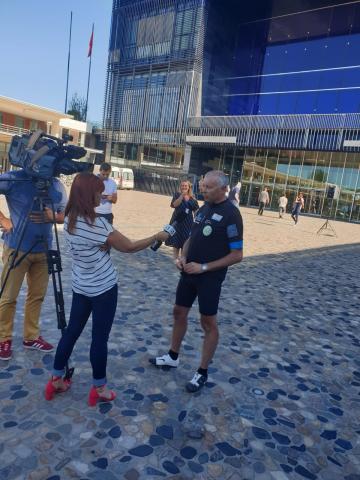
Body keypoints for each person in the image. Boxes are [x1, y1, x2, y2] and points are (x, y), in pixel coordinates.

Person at [45, 172, 169, 406]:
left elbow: (89, 243)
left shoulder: (70, 217)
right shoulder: (98, 224)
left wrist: (101, 244)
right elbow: (130, 247)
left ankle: (55, 379)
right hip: (103, 288)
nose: (102, 194)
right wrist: (156, 236)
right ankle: (99, 388)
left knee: (71, 332)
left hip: (81, 286)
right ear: (87, 194)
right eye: (98, 191)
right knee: (99, 339)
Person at [150, 171, 243, 393]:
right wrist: (182, 256)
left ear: (223, 189)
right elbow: (192, 235)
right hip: (189, 272)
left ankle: (202, 371)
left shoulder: (232, 214)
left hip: (209, 278)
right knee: (178, 312)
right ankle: (173, 356)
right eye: (203, 186)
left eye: (208, 187)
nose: (203, 190)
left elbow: (237, 255)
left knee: (207, 323)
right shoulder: (203, 207)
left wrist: (204, 267)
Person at [0, 170, 67, 361]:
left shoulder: (55, 183)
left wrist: (52, 216)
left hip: (44, 249)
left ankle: (31, 336)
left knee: (37, 296)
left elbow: (65, 214)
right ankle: (3, 338)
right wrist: (3, 219)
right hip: (17, 247)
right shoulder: (15, 178)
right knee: (8, 297)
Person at [165, 180, 199, 260]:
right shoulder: (177, 195)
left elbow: (196, 211)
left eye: (185, 186)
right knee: (176, 240)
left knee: (185, 240)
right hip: (177, 221)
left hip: (188, 222)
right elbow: (174, 204)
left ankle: (183, 258)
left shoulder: (193, 198)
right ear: (180, 187)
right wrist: (182, 196)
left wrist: (197, 222)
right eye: (182, 185)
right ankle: (175, 259)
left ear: (189, 187)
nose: (184, 187)